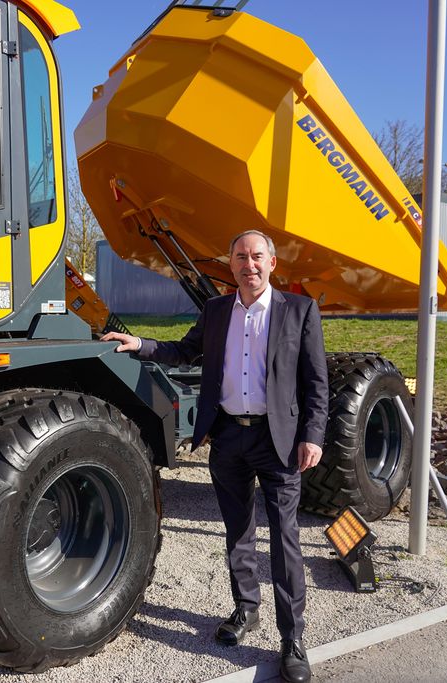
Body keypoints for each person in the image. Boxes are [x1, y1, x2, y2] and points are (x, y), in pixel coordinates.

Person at [102, 230, 328, 683]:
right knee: (237, 531)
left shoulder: (299, 311)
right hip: (227, 436)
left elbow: (316, 381)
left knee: (284, 539)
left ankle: (292, 639)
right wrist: (139, 344)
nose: (249, 264)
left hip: (279, 441)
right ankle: (246, 609)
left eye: (257, 256)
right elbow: (184, 351)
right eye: (241, 257)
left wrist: (313, 435)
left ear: (272, 263)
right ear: (231, 264)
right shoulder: (217, 309)